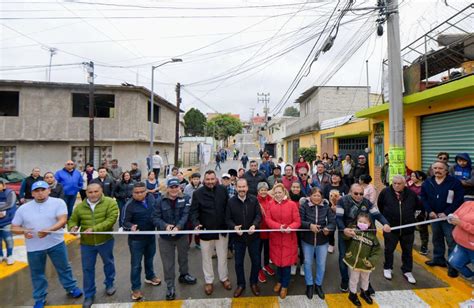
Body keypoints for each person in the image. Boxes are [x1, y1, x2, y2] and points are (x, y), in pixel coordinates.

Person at [12, 181, 83, 308]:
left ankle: (71, 288)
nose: (40, 193)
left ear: (49, 190)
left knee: (64, 268)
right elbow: (14, 227)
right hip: (34, 247)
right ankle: (40, 298)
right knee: (37, 273)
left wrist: (49, 230)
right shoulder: (23, 209)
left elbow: (62, 220)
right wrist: (23, 231)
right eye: (37, 191)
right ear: (32, 193)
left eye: (43, 190)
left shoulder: (58, 203)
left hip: (56, 243)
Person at [68, 183, 119, 308]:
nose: (93, 194)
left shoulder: (110, 203)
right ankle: (89, 294)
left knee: (108, 263)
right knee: (87, 269)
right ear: (86, 193)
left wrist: (94, 229)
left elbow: (111, 219)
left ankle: (109, 284)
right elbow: (73, 220)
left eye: (96, 191)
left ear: (101, 191)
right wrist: (72, 227)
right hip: (87, 243)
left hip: (105, 241)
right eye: (90, 192)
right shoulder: (80, 207)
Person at [336, 184, 391, 294]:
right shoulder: (342, 201)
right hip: (346, 233)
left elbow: (378, 215)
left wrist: (385, 224)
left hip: (361, 235)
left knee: (363, 258)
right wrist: (343, 229)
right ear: (350, 192)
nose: (359, 196)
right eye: (356, 193)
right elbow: (338, 218)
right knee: (343, 257)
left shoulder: (367, 202)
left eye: (361, 194)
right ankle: (345, 280)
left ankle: (366, 284)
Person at [154, 178, 198, 301]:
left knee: (183, 257)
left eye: (176, 187)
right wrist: (165, 226)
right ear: (167, 188)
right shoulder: (159, 201)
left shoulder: (186, 199)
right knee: (168, 263)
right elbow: (155, 217)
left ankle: (184, 275)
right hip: (165, 238)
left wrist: (178, 227)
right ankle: (170, 286)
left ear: (180, 187)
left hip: (181, 235)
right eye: (171, 187)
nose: (174, 189)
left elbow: (186, 215)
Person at [190, 170, 231, 295]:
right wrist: (196, 224)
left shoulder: (223, 190)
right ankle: (209, 281)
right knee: (206, 257)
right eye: (207, 179)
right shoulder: (197, 193)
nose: (210, 182)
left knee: (223, 256)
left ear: (216, 179)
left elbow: (228, 208)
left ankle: (224, 278)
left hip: (222, 230)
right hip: (206, 231)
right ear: (204, 180)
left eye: (212, 179)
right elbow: (194, 212)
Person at [421, 161, 464, 277]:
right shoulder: (428, 182)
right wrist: (430, 211)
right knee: (436, 238)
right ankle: (438, 259)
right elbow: (423, 198)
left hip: (449, 218)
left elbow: (459, 200)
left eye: (440, 168)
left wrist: (446, 212)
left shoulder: (454, 182)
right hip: (434, 218)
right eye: (435, 168)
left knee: (451, 241)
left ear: (446, 170)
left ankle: (453, 265)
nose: (437, 170)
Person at [123, 182, 162, 301]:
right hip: (136, 241)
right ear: (132, 193)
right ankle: (135, 288)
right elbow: (124, 222)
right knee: (136, 265)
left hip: (150, 236)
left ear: (146, 191)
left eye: (142, 192)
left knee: (150, 259)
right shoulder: (129, 205)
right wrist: (132, 226)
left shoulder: (151, 198)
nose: (139, 194)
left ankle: (150, 276)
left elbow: (157, 213)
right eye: (136, 192)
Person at [377, 175, 419, 284]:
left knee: (407, 251)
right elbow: (380, 206)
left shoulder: (411, 194)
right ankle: (387, 268)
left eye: (399, 183)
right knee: (389, 250)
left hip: (407, 230)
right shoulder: (385, 193)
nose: (396, 185)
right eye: (394, 183)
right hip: (391, 229)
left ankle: (407, 270)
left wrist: (413, 220)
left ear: (404, 184)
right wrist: (386, 221)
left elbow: (418, 207)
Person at [226, 179, 262, 297]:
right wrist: (234, 227)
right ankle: (241, 284)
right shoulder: (231, 202)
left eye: (243, 187)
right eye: (239, 187)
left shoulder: (254, 200)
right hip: (238, 238)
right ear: (236, 188)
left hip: (253, 237)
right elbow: (227, 219)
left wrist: (254, 225)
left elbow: (258, 215)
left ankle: (253, 282)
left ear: (247, 187)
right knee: (238, 263)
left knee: (256, 262)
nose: (241, 189)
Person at [264, 183, 301, 299]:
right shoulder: (270, 204)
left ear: (284, 192)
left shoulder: (292, 205)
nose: (278, 195)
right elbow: (268, 220)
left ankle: (284, 285)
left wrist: (291, 227)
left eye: (280, 192)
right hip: (276, 237)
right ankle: (279, 281)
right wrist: (278, 226)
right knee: (278, 263)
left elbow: (297, 221)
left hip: (288, 238)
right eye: (275, 193)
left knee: (286, 265)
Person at [299, 187, 336, 300]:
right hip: (307, 240)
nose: (316, 197)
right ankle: (309, 285)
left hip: (322, 241)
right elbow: (299, 221)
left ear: (322, 197)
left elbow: (332, 222)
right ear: (310, 196)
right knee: (308, 263)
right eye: (314, 195)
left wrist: (328, 229)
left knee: (321, 264)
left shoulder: (326, 207)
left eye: (318, 195)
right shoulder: (304, 206)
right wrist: (309, 226)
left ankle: (318, 285)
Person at [343, 213, 382, 306]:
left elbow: (377, 250)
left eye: (364, 222)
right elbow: (344, 237)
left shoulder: (373, 237)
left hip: (366, 263)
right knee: (353, 279)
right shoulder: (353, 231)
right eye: (360, 221)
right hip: (353, 261)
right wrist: (347, 232)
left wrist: (371, 261)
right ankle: (352, 294)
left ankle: (364, 292)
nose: (362, 223)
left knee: (365, 279)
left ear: (369, 224)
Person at [447, 200, 474, 279]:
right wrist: (451, 217)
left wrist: (460, 223)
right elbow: (456, 213)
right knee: (454, 262)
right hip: (461, 243)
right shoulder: (467, 203)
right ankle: (471, 277)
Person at [256, 182, 275, 283]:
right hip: (259, 230)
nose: (263, 192)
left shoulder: (271, 199)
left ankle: (266, 265)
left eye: (265, 189)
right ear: (258, 191)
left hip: (269, 230)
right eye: (261, 190)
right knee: (258, 251)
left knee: (268, 249)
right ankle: (259, 269)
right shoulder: (255, 201)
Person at [407, 170, 429, 255]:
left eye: (413, 176)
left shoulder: (425, 185)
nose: (411, 178)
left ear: (420, 177)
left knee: (422, 228)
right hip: (411, 209)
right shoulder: (410, 185)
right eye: (411, 176)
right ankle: (410, 242)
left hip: (422, 210)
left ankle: (424, 246)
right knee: (410, 226)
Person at [183, 173, 202, 249]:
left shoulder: (202, 187)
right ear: (191, 179)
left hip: (199, 210)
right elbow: (184, 197)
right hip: (190, 210)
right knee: (189, 227)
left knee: (198, 226)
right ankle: (188, 243)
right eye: (194, 179)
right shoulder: (187, 187)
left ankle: (198, 243)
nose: (196, 181)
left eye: (197, 179)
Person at [0, 180, 16, 265]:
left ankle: (10, 255)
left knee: (8, 239)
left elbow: (9, 204)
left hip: (7, 221)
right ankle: (1, 256)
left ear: (3, 185)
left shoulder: (10, 193)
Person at [327, 189, 341, 253]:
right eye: (331, 195)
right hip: (331, 219)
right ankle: (331, 244)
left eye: (336, 195)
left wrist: (336, 210)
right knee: (331, 231)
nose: (333, 197)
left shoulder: (342, 202)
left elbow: (344, 212)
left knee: (341, 231)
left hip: (340, 219)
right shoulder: (327, 203)